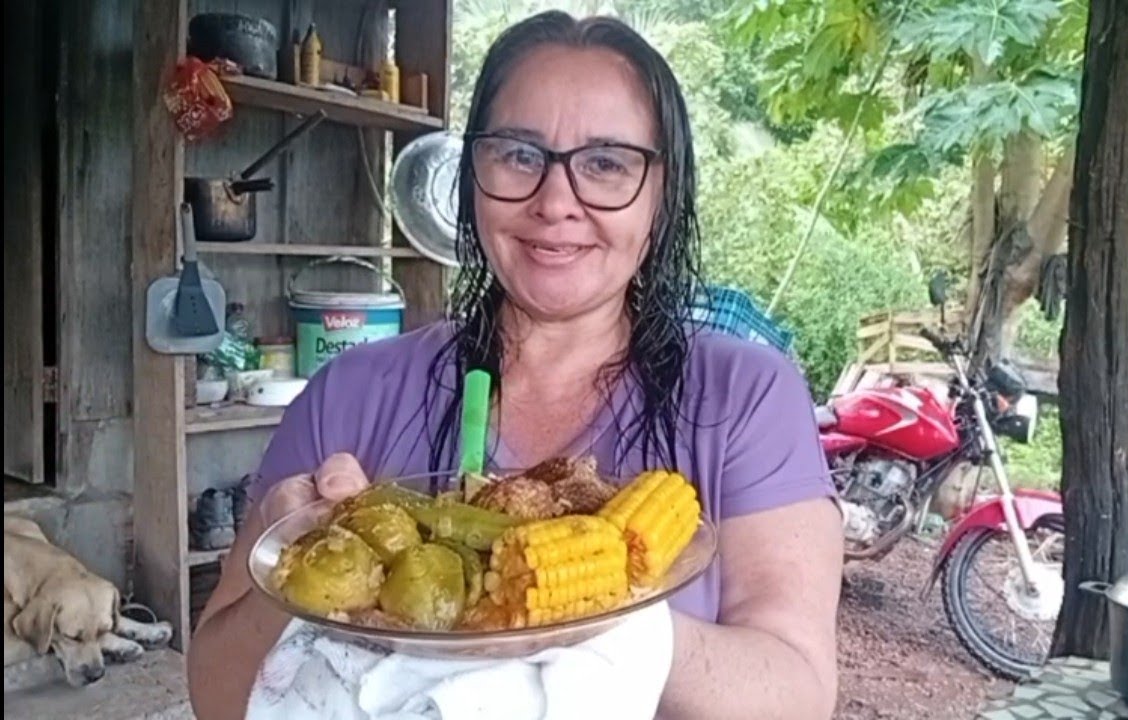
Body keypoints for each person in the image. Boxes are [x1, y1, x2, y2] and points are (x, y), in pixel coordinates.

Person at [187, 10, 842, 720]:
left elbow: (798, 691)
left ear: (663, 194)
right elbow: (216, 698)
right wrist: (291, 566)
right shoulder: (349, 393)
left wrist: (606, 622)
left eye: (606, 163)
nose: (555, 203)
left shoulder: (746, 398)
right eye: (519, 155)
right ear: (471, 176)